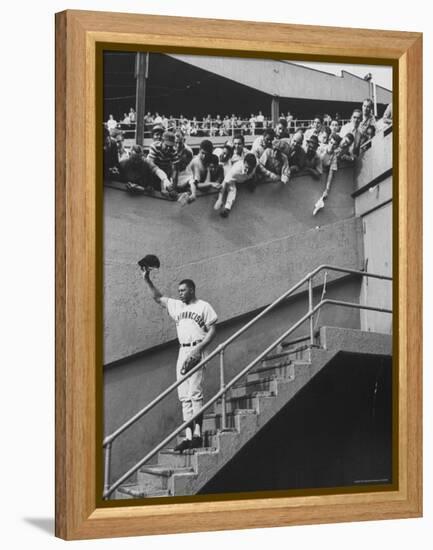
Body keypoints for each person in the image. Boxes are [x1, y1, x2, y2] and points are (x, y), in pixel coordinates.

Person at [142, 272, 217, 451]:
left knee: (195, 393)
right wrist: (147, 279)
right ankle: (188, 436)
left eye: (183, 290)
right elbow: (158, 297)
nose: (180, 293)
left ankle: (198, 435)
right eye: (179, 291)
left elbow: (213, 329)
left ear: (192, 290)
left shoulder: (203, 306)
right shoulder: (177, 306)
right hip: (182, 350)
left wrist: (199, 350)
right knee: (184, 395)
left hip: (197, 348)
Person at [213, 153, 258, 218]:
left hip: (243, 179)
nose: (248, 170)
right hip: (229, 174)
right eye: (247, 167)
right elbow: (224, 183)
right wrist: (220, 199)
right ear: (244, 163)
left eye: (250, 168)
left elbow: (260, 167)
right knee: (232, 189)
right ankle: (227, 208)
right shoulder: (235, 170)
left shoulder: (255, 166)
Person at [147, 131, 180, 196]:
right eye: (166, 145)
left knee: (169, 169)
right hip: (153, 168)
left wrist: (174, 188)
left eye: (170, 146)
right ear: (162, 141)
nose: (168, 149)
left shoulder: (173, 150)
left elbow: (175, 170)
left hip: (165, 169)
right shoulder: (154, 146)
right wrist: (149, 184)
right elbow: (150, 165)